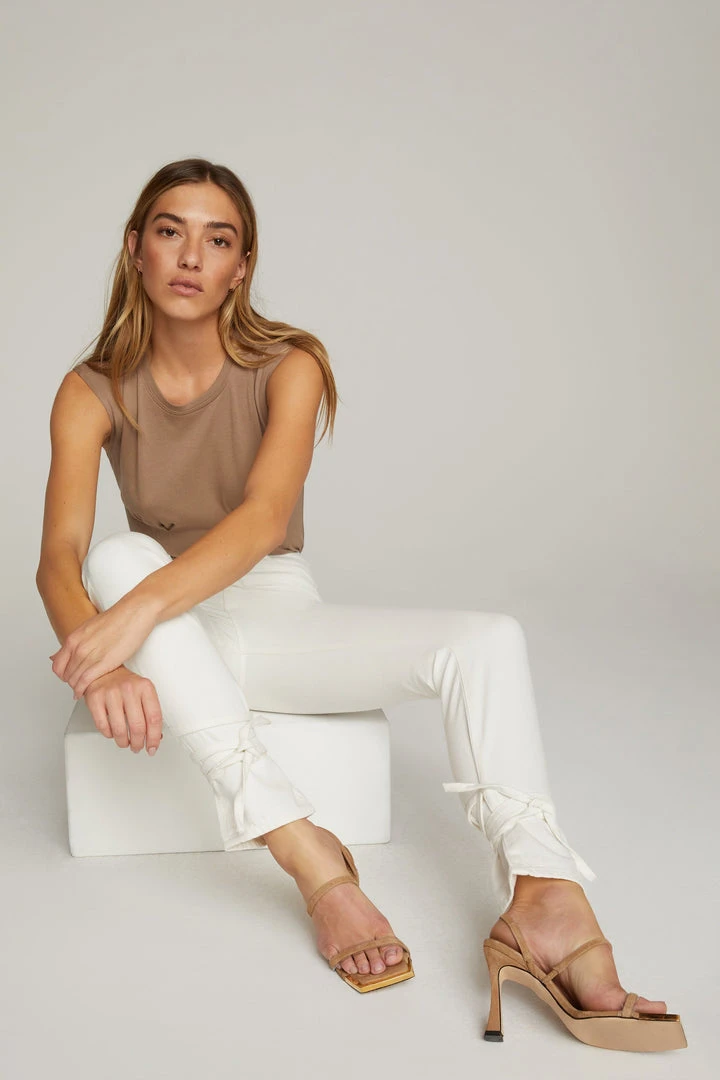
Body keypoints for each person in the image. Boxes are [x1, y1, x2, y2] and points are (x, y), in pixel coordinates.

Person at [36, 158, 685, 1050]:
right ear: (134, 248)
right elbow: (59, 561)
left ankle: (546, 897)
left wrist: (132, 619)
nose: (190, 256)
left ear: (241, 267)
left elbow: (264, 519)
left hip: (263, 610)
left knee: (488, 640)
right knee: (116, 555)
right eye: (170, 231)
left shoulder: (289, 364)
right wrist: (103, 660)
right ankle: (312, 859)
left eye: (217, 239)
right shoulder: (90, 389)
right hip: (165, 624)